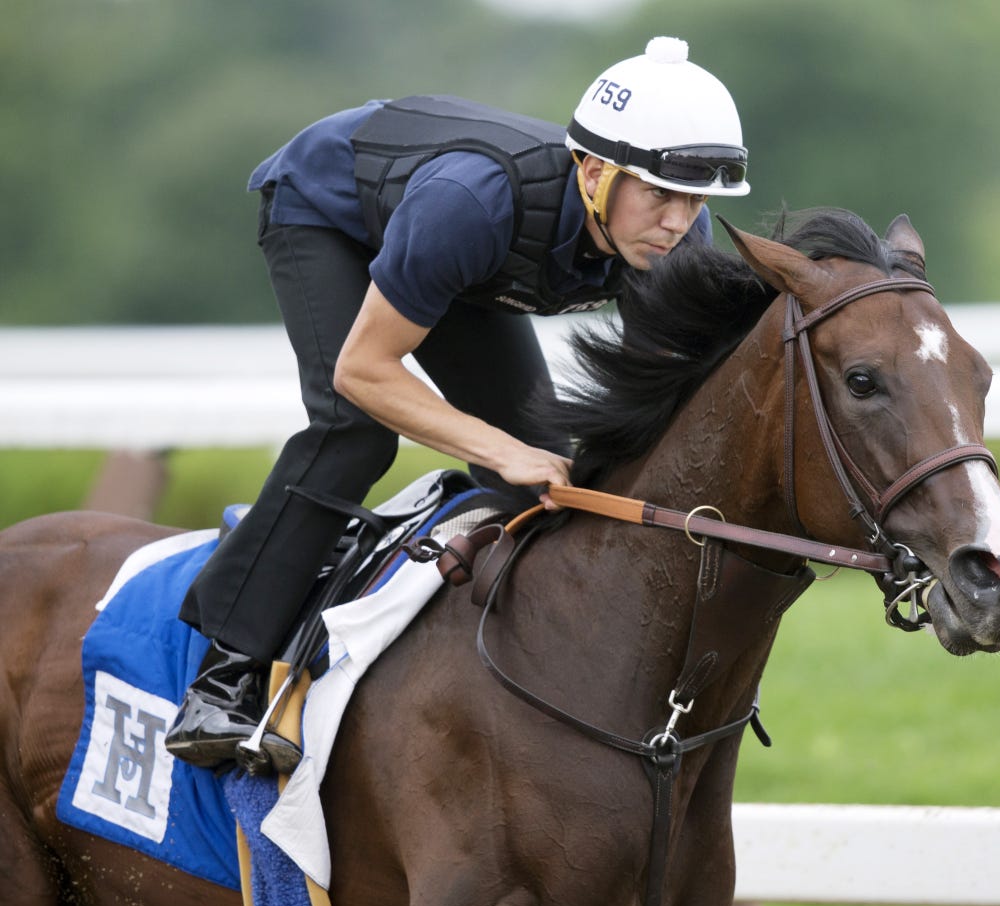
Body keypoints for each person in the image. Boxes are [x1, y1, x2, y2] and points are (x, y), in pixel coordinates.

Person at [163, 35, 751, 774]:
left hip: (465, 262)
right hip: (330, 213)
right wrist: (499, 447)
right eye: (660, 193)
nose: (678, 221)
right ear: (594, 172)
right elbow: (364, 371)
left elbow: (665, 402)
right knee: (356, 432)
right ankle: (226, 673)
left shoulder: (675, 240)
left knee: (548, 469)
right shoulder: (470, 207)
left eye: (696, 199)